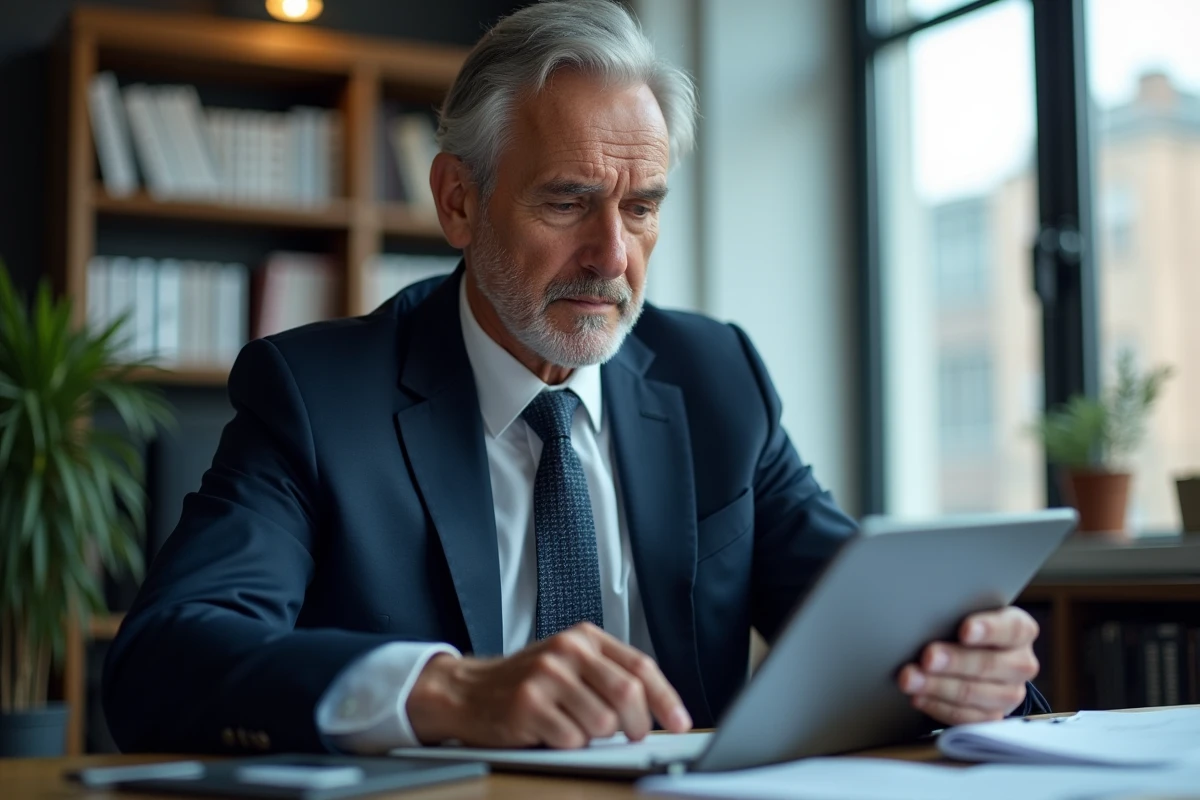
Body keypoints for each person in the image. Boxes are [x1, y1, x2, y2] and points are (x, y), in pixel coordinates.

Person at [103, 0, 1047, 755]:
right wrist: (446, 690)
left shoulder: (717, 378)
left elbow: (856, 613)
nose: (611, 255)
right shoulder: (317, 396)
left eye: (641, 209)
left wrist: (964, 666)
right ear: (459, 201)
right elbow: (161, 661)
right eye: (568, 201)